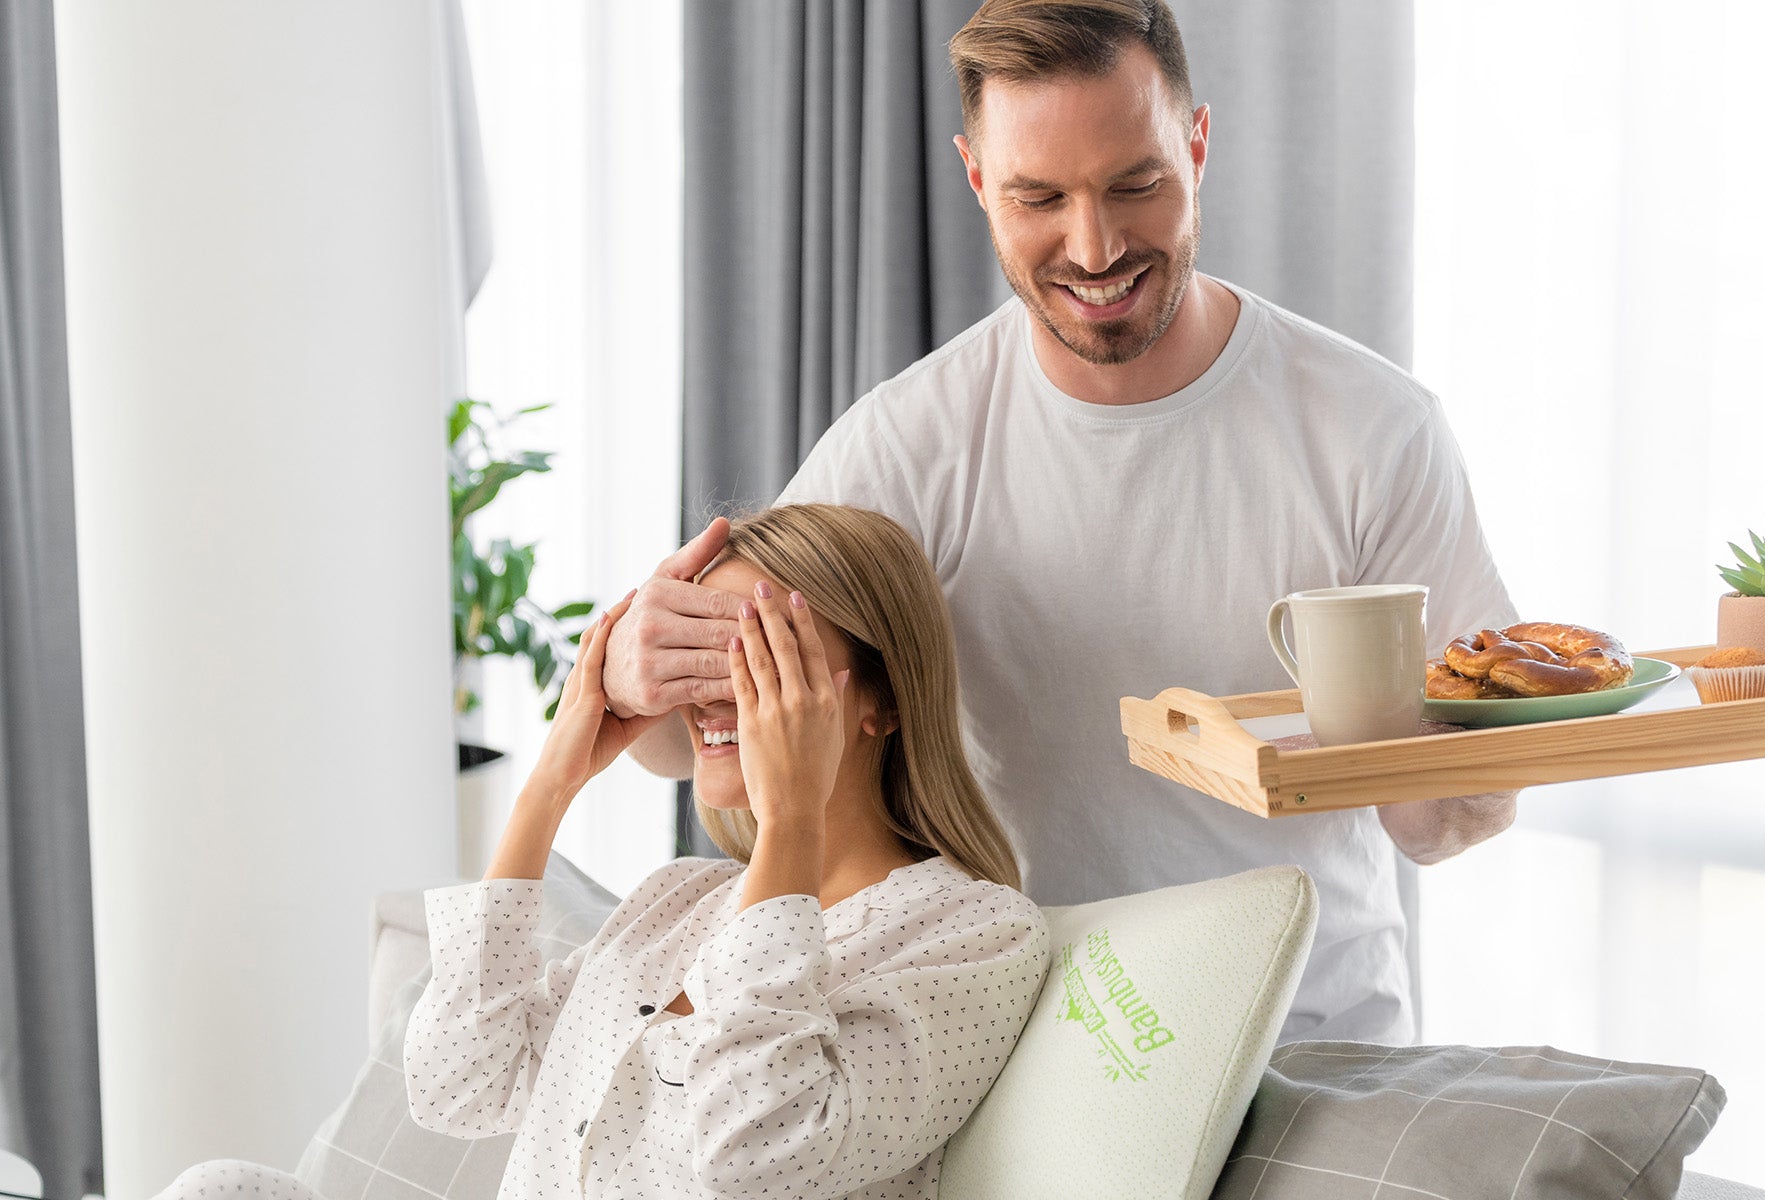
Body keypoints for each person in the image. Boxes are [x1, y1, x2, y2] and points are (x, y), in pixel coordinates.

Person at [603, 0, 1518, 1046]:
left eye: (1136, 185)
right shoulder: (906, 448)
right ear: (978, 178)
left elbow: (1436, 827)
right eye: (1041, 197)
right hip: (1026, 1050)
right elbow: (697, 746)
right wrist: (640, 680)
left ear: (1199, 146)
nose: (1095, 247)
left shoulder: (1373, 429)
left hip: (1311, 1049)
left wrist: (1487, 768)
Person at [157, 504, 1048, 1200]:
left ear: (882, 702)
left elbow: (758, 1149)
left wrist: (792, 827)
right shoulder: (679, 903)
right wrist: (553, 777)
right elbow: (457, 1084)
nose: (712, 692)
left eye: (762, 656)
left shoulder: (973, 934)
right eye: (701, 652)